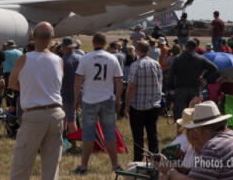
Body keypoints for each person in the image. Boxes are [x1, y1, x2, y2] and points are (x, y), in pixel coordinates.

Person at [8, 22, 64, 180]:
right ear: (52, 38)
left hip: (35, 115)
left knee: (22, 164)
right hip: (56, 114)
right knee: (51, 165)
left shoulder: (24, 59)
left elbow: (12, 83)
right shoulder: (59, 61)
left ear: (33, 35)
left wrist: (29, 89)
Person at [73, 32, 123, 174]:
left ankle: (83, 166)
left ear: (94, 43)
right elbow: (119, 81)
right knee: (109, 134)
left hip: (89, 100)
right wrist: (118, 99)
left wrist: (76, 98)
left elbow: (78, 79)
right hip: (107, 99)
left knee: (88, 134)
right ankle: (115, 165)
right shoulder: (112, 58)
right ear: (105, 43)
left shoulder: (86, 57)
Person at [155, 101, 233, 179]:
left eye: (196, 130)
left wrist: (169, 171)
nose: (197, 134)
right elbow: (209, 169)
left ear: (202, 130)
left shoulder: (212, 147)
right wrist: (177, 168)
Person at [124, 40, 163, 162]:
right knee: (152, 134)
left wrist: (126, 105)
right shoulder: (156, 64)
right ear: (148, 50)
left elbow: (131, 87)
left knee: (138, 136)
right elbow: (160, 83)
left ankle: (138, 161)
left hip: (138, 106)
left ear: (137, 51)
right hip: (154, 105)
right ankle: (155, 161)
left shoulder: (136, 65)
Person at [168, 39, 219, 119]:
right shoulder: (201, 59)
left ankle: (180, 130)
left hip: (181, 88)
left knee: (180, 115)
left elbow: (171, 74)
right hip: (195, 88)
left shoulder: (177, 59)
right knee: (195, 114)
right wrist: (204, 76)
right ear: (196, 47)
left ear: (185, 47)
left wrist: (170, 88)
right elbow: (214, 68)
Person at [61, 37, 81, 135]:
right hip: (80, 92)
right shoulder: (80, 58)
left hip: (67, 93)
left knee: (70, 120)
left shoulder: (62, 60)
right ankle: (65, 136)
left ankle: (73, 144)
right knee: (67, 117)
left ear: (64, 47)